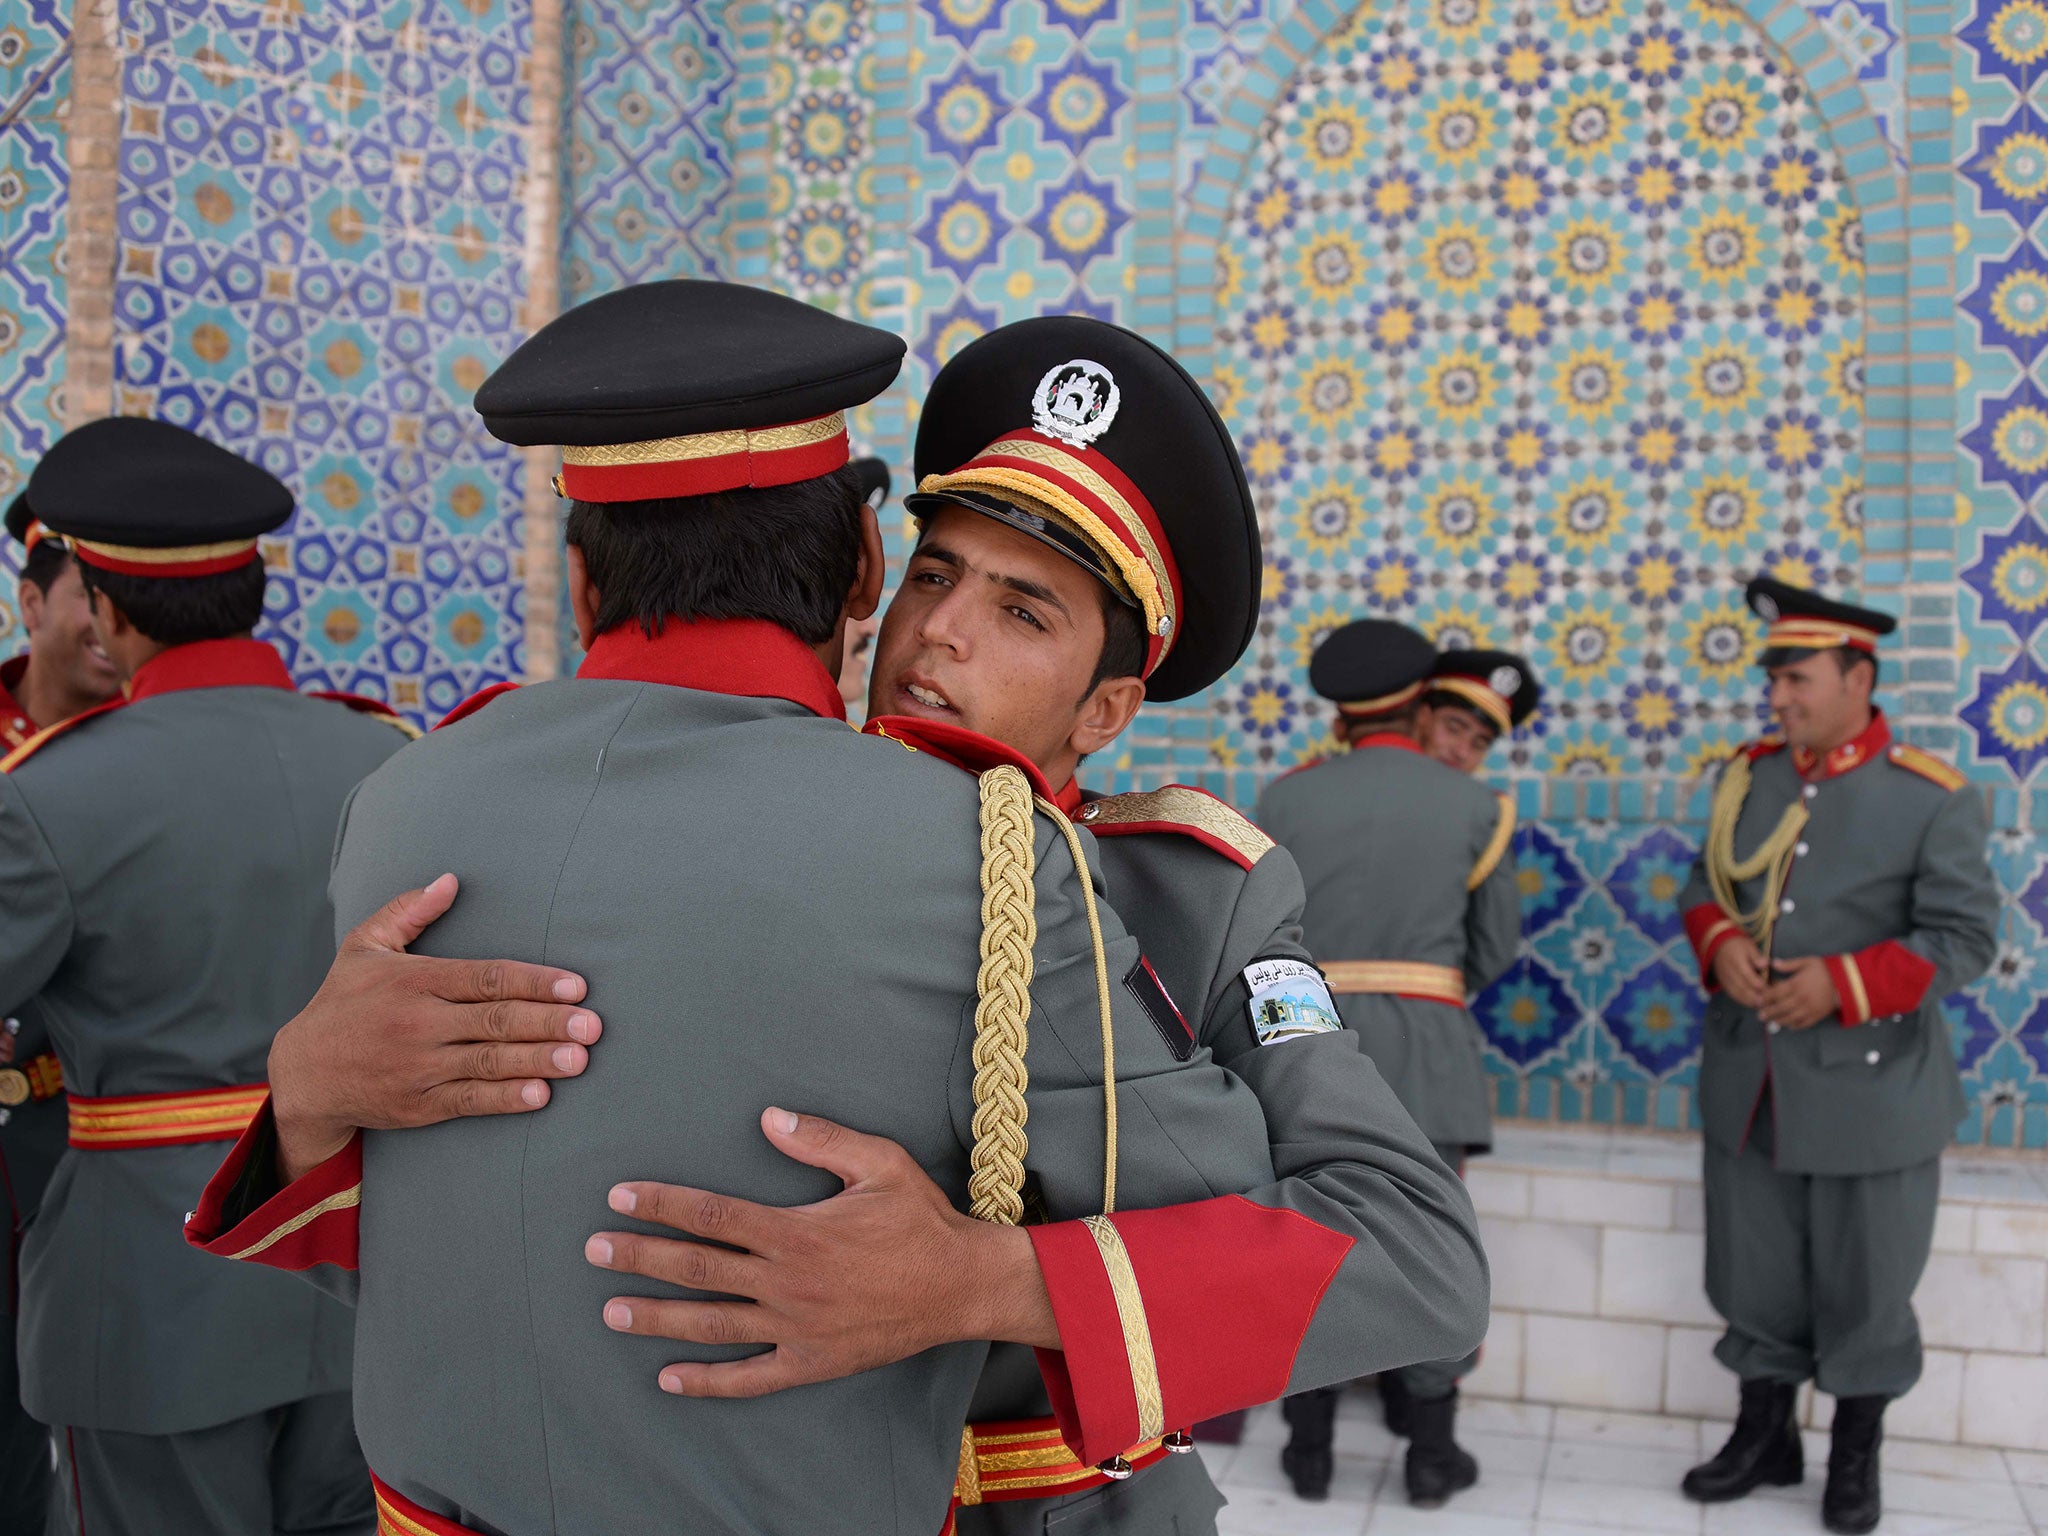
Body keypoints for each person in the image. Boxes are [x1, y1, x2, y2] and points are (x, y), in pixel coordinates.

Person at [185, 284, 1486, 1536]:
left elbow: (1410, 1254)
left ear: (1105, 709)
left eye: (1023, 611)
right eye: (936, 575)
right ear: (874, 572)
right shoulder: (792, 837)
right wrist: (309, 1091)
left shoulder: (1197, 890)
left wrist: (986, 1281)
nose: (941, 638)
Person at [0, 418, 416, 1536]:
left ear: (108, 608)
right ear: (254, 588)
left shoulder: (50, 794)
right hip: (356, 1262)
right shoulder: (387, 757)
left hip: (150, 1290)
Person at [1676, 576, 1997, 1536]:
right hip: (1753, 1081)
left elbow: (1965, 938)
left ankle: (1856, 1457)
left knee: (1867, 1285)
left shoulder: (1932, 798)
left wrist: (1843, 985)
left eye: (1798, 678)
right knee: (1753, 1274)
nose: (1778, 698)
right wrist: (1720, 945)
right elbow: (1707, 881)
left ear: (1861, 676)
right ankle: (1765, 1437)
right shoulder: (1753, 775)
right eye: (1775, 681)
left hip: (1873, 1089)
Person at [1255, 624, 1532, 1507]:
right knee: (1430, 1248)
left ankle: (1308, 1444)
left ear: (1340, 712)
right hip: (1428, 1052)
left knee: (1307, 1239)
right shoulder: (1473, 806)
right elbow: (1494, 948)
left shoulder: (1284, 797)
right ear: (1419, 704)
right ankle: (1430, 1453)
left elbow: (1257, 939)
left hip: (1305, 1047)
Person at [0, 494, 121, 1534]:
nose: (106, 629)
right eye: (87, 600)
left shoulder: (152, 755)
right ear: (31, 602)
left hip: (95, 1148)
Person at [1413, 647, 1539, 776]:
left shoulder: (1485, 797)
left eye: (1479, 744)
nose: (1462, 753)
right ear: (1422, 716)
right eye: (1454, 729)